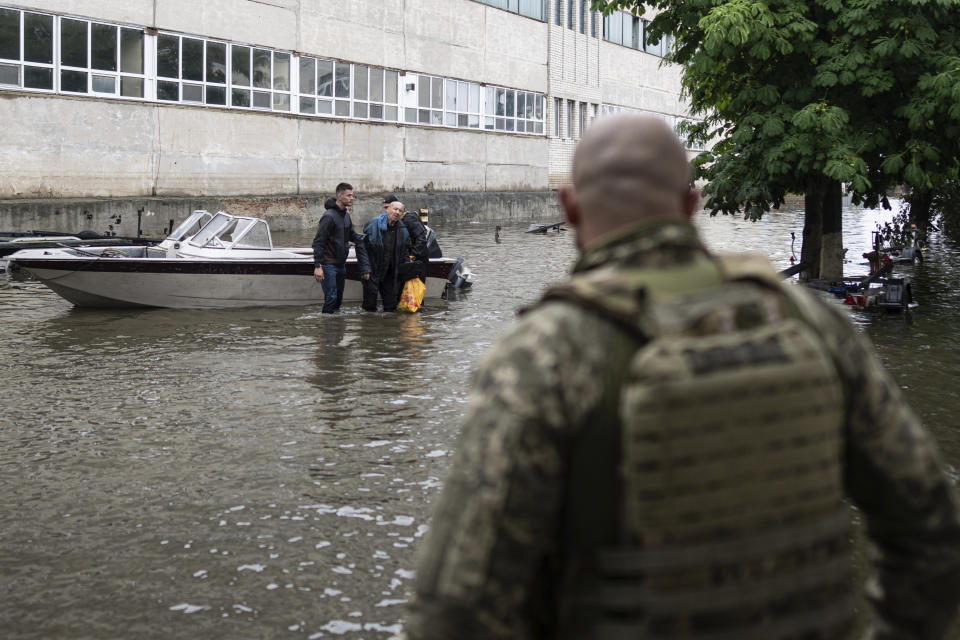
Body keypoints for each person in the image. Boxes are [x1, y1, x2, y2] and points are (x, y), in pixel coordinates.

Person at [405, 115, 960, 639]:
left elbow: (455, 607)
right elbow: (931, 528)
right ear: (691, 204)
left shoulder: (544, 355)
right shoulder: (811, 322)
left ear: (570, 208)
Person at [312, 182, 370, 314]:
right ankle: (327, 327)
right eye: (349, 195)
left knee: (338, 299)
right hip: (328, 265)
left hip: (341, 265)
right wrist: (317, 266)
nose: (352, 198)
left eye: (352, 195)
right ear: (339, 196)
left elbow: (352, 236)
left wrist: (368, 240)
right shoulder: (328, 217)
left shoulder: (346, 216)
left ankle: (336, 330)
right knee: (331, 298)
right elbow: (318, 242)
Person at [362, 198, 426, 312]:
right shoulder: (374, 224)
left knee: (391, 306)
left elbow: (404, 251)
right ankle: (369, 326)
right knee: (369, 305)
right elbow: (361, 247)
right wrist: (365, 268)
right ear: (387, 209)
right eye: (395, 209)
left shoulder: (402, 229)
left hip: (390, 272)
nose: (397, 212)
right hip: (373, 270)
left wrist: (409, 269)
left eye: (400, 211)